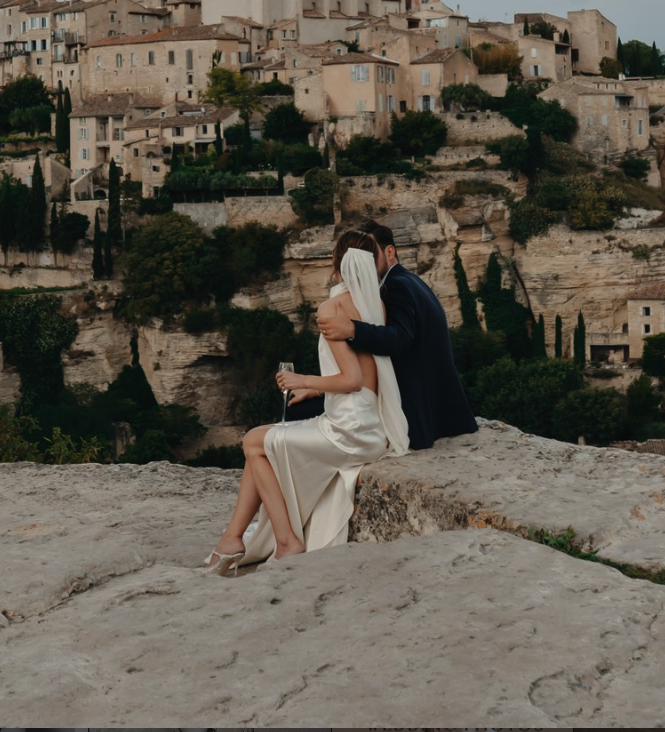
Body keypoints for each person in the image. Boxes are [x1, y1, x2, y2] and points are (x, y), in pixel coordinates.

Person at [201, 230, 409, 575]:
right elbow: (367, 374)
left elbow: (352, 379)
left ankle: (285, 542)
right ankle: (232, 539)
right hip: (371, 426)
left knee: (252, 442)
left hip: (348, 430)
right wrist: (316, 392)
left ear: (336, 265)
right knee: (261, 446)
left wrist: (304, 381)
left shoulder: (332, 308)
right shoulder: (377, 304)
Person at [317, 220, 477, 450]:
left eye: (369, 252)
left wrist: (353, 329)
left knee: (300, 415)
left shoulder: (395, 286)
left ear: (389, 252)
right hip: (440, 408)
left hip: (417, 410)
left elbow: (399, 338)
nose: (363, 261)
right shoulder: (410, 280)